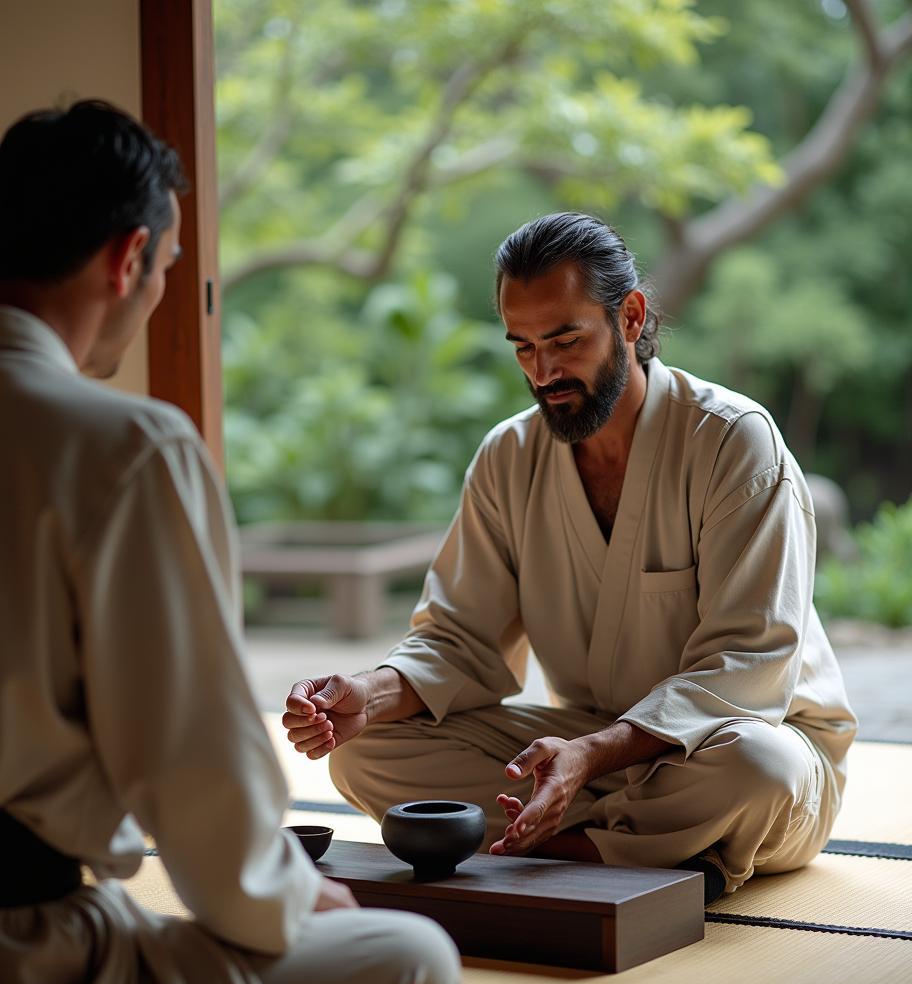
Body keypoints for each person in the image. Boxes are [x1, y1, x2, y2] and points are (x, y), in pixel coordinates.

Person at [0, 100, 461, 984]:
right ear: (128, 259)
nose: (160, 289)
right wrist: (287, 896)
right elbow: (194, 767)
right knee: (409, 958)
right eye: (167, 268)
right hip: (21, 962)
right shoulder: (126, 446)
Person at [282, 212, 858, 904]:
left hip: (736, 743)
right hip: (584, 748)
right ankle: (629, 854)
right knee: (366, 751)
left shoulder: (733, 442)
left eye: (565, 339)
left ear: (632, 318)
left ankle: (553, 850)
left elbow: (747, 668)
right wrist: (362, 696)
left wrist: (593, 756)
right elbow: (461, 643)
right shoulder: (508, 456)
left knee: (757, 770)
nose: (544, 372)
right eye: (522, 347)